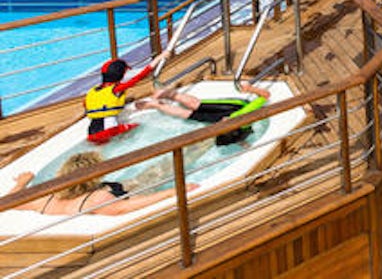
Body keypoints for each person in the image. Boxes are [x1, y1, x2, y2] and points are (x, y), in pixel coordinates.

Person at [6, 151, 192, 216]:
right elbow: (125, 207)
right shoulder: (97, 198)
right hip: (120, 195)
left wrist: (22, 183)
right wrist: (172, 192)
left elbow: (9, 201)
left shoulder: (45, 198)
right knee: (152, 176)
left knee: (145, 176)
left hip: (99, 193)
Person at [136, 80, 269, 145]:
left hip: (231, 119)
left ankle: (156, 105)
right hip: (235, 107)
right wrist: (250, 89)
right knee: (195, 104)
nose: (222, 121)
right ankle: (169, 94)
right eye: (223, 123)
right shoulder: (246, 113)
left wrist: (244, 145)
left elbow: (235, 137)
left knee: (187, 115)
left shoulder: (228, 127)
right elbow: (266, 95)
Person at [84, 57, 159, 143]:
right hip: (108, 130)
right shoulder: (116, 89)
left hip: (91, 132)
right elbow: (139, 77)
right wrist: (160, 57)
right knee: (140, 127)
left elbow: (87, 105)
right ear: (120, 75)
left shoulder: (93, 91)